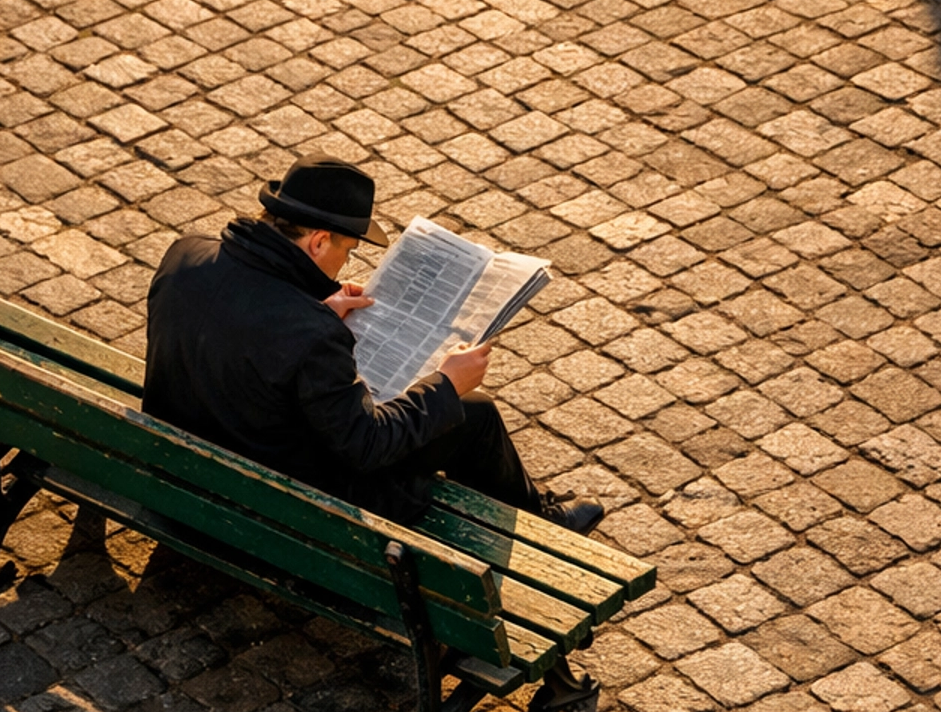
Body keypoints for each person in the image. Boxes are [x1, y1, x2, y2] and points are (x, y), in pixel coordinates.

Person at [142, 158, 606, 533]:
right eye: (349, 248)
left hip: (175, 466)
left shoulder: (186, 253)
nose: (348, 260)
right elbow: (366, 445)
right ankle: (545, 525)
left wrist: (316, 310)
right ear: (320, 241)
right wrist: (446, 384)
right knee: (473, 413)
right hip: (284, 509)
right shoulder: (309, 332)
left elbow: (245, 325)